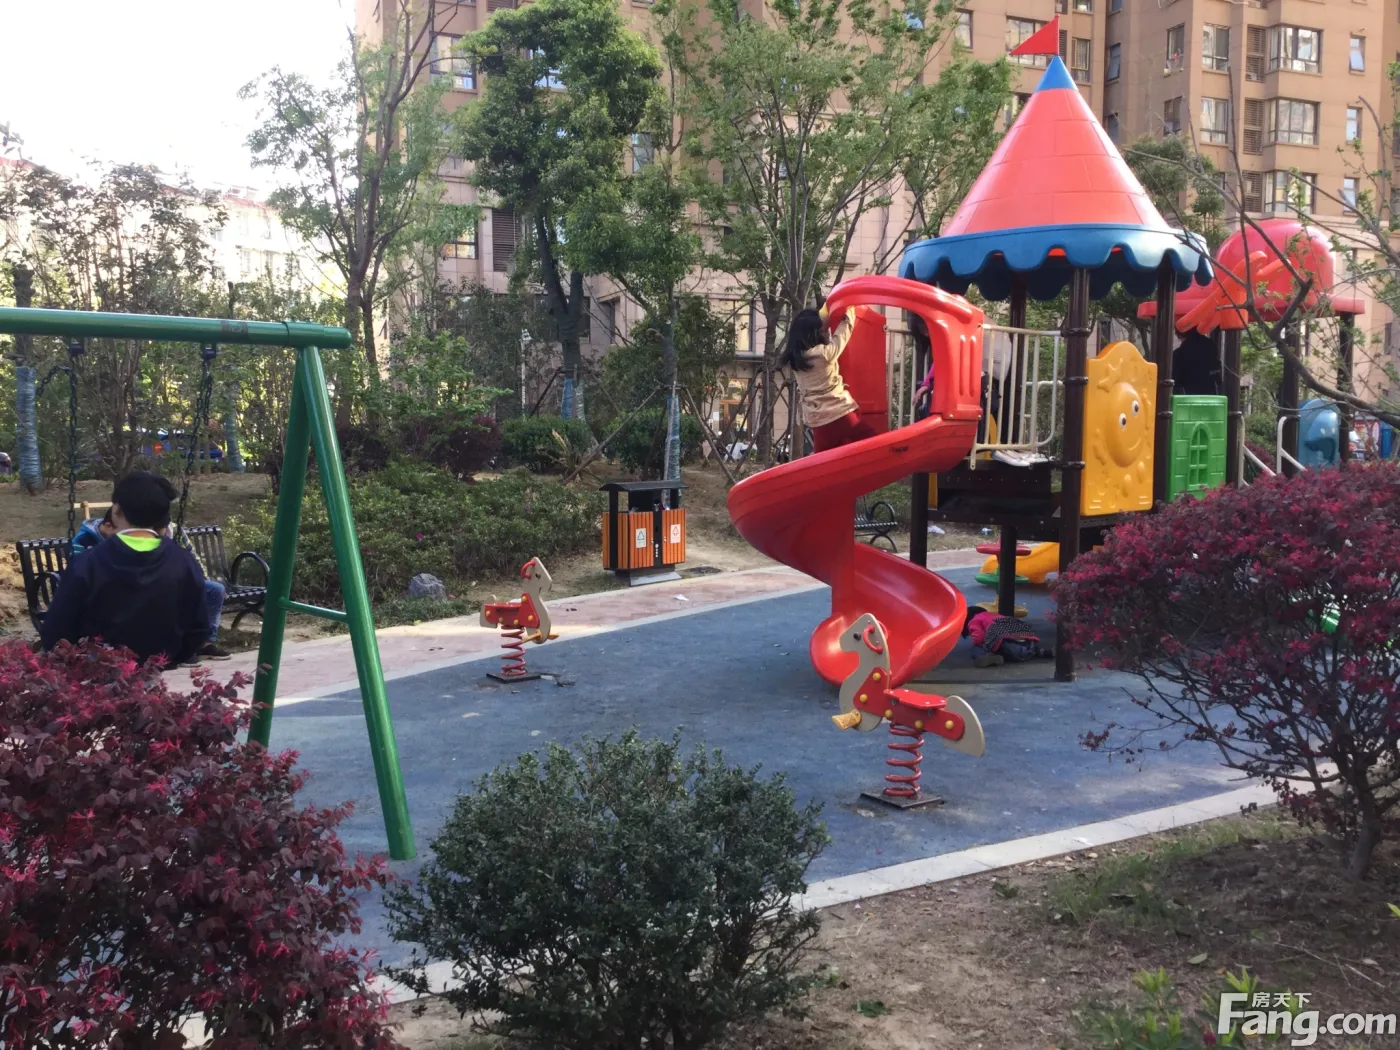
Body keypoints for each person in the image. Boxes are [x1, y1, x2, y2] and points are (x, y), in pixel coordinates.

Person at [41, 471, 211, 667]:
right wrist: (173, 657)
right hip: (159, 665)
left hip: (96, 669)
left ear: (117, 509)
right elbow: (198, 627)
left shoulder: (89, 562)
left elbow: (57, 627)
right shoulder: (183, 562)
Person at [69, 506, 231, 661]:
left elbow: (187, 559)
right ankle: (167, 650)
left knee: (214, 590)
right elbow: (80, 576)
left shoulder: (164, 533)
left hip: (157, 581)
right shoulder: (85, 541)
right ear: (109, 526)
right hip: (116, 590)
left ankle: (204, 643)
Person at [785, 301, 877, 453]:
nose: (824, 332)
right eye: (821, 331)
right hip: (841, 415)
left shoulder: (795, 360)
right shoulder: (824, 354)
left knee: (824, 460)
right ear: (814, 333)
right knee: (874, 443)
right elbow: (844, 332)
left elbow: (810, 326)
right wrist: (849, 308)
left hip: (819, 423)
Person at [962, 603, 1053, 668]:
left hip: (1011, 648)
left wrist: (978, 643)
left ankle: (986, 657)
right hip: (1029, 643)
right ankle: (1041, 651)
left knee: (976, 648)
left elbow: (979, 638)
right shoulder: (995, 616)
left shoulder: (974, 620)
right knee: (1013, 638)